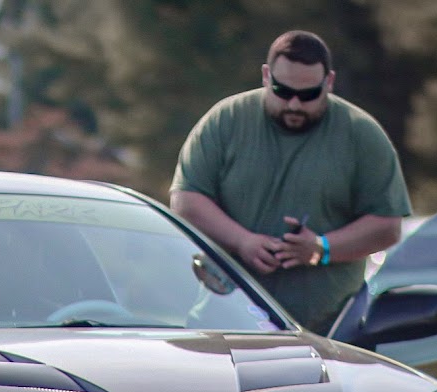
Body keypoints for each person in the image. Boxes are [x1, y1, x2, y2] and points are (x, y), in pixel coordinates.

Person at [170, 30, 412, 334]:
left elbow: (387, 226)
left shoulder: (362, 134)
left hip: (329, 330)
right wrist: (242, 241)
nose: (294, 105)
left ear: (330, 82)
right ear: (266, 76)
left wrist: (320, 248)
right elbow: (186, 200)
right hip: (224, 322)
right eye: (283, 91)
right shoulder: (225, 120)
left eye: (309, 95)